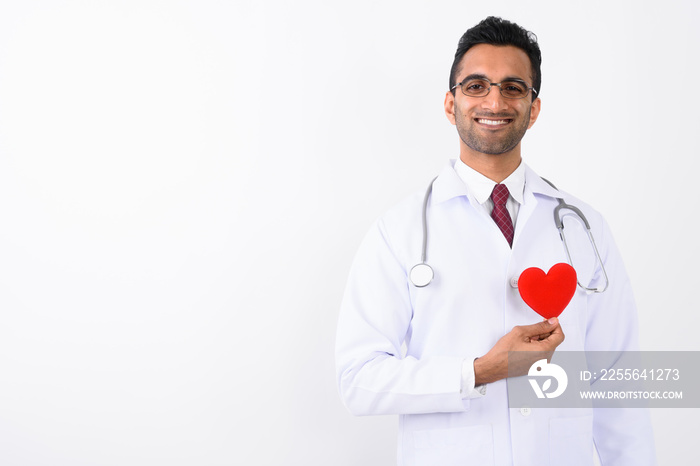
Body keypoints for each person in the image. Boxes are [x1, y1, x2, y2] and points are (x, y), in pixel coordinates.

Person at [335, 16, 656, 466]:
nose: (495, 100)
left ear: (533, 107)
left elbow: (618, 381)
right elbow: (358, 380)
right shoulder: (400, 231)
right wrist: (479, 372)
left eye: (513, 87)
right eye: (476, 85)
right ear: (451, 104)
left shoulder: (584, 226)